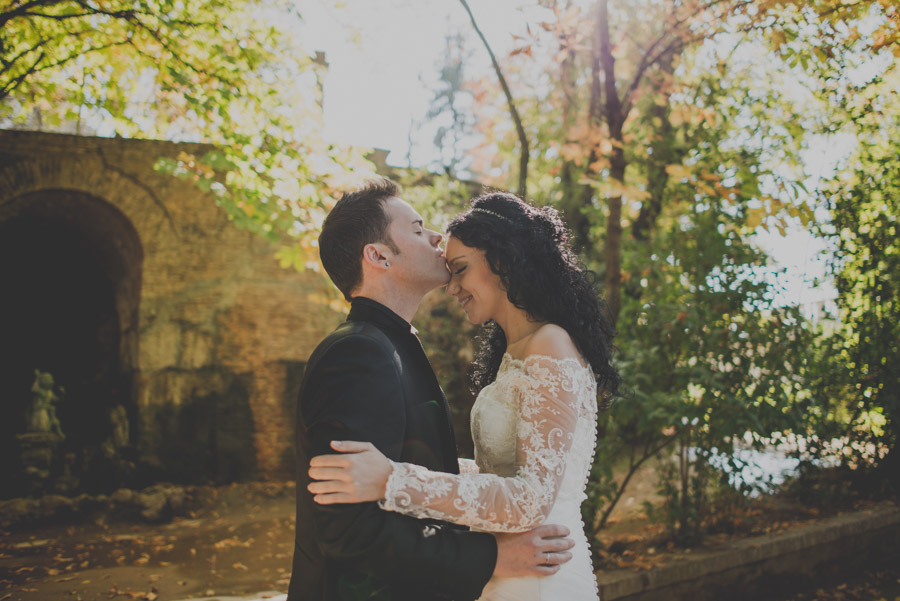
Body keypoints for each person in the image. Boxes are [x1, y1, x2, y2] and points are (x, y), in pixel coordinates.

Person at [307, 190, 621, 601]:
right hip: (511, 570)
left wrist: (392, 477)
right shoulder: (369, 351)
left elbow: (532, 497)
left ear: (503, 262)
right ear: (378, 256)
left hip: (540, 575)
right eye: (419, 229)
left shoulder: (550, 345)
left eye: (460, 269)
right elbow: (505, 470)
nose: (452, 286)